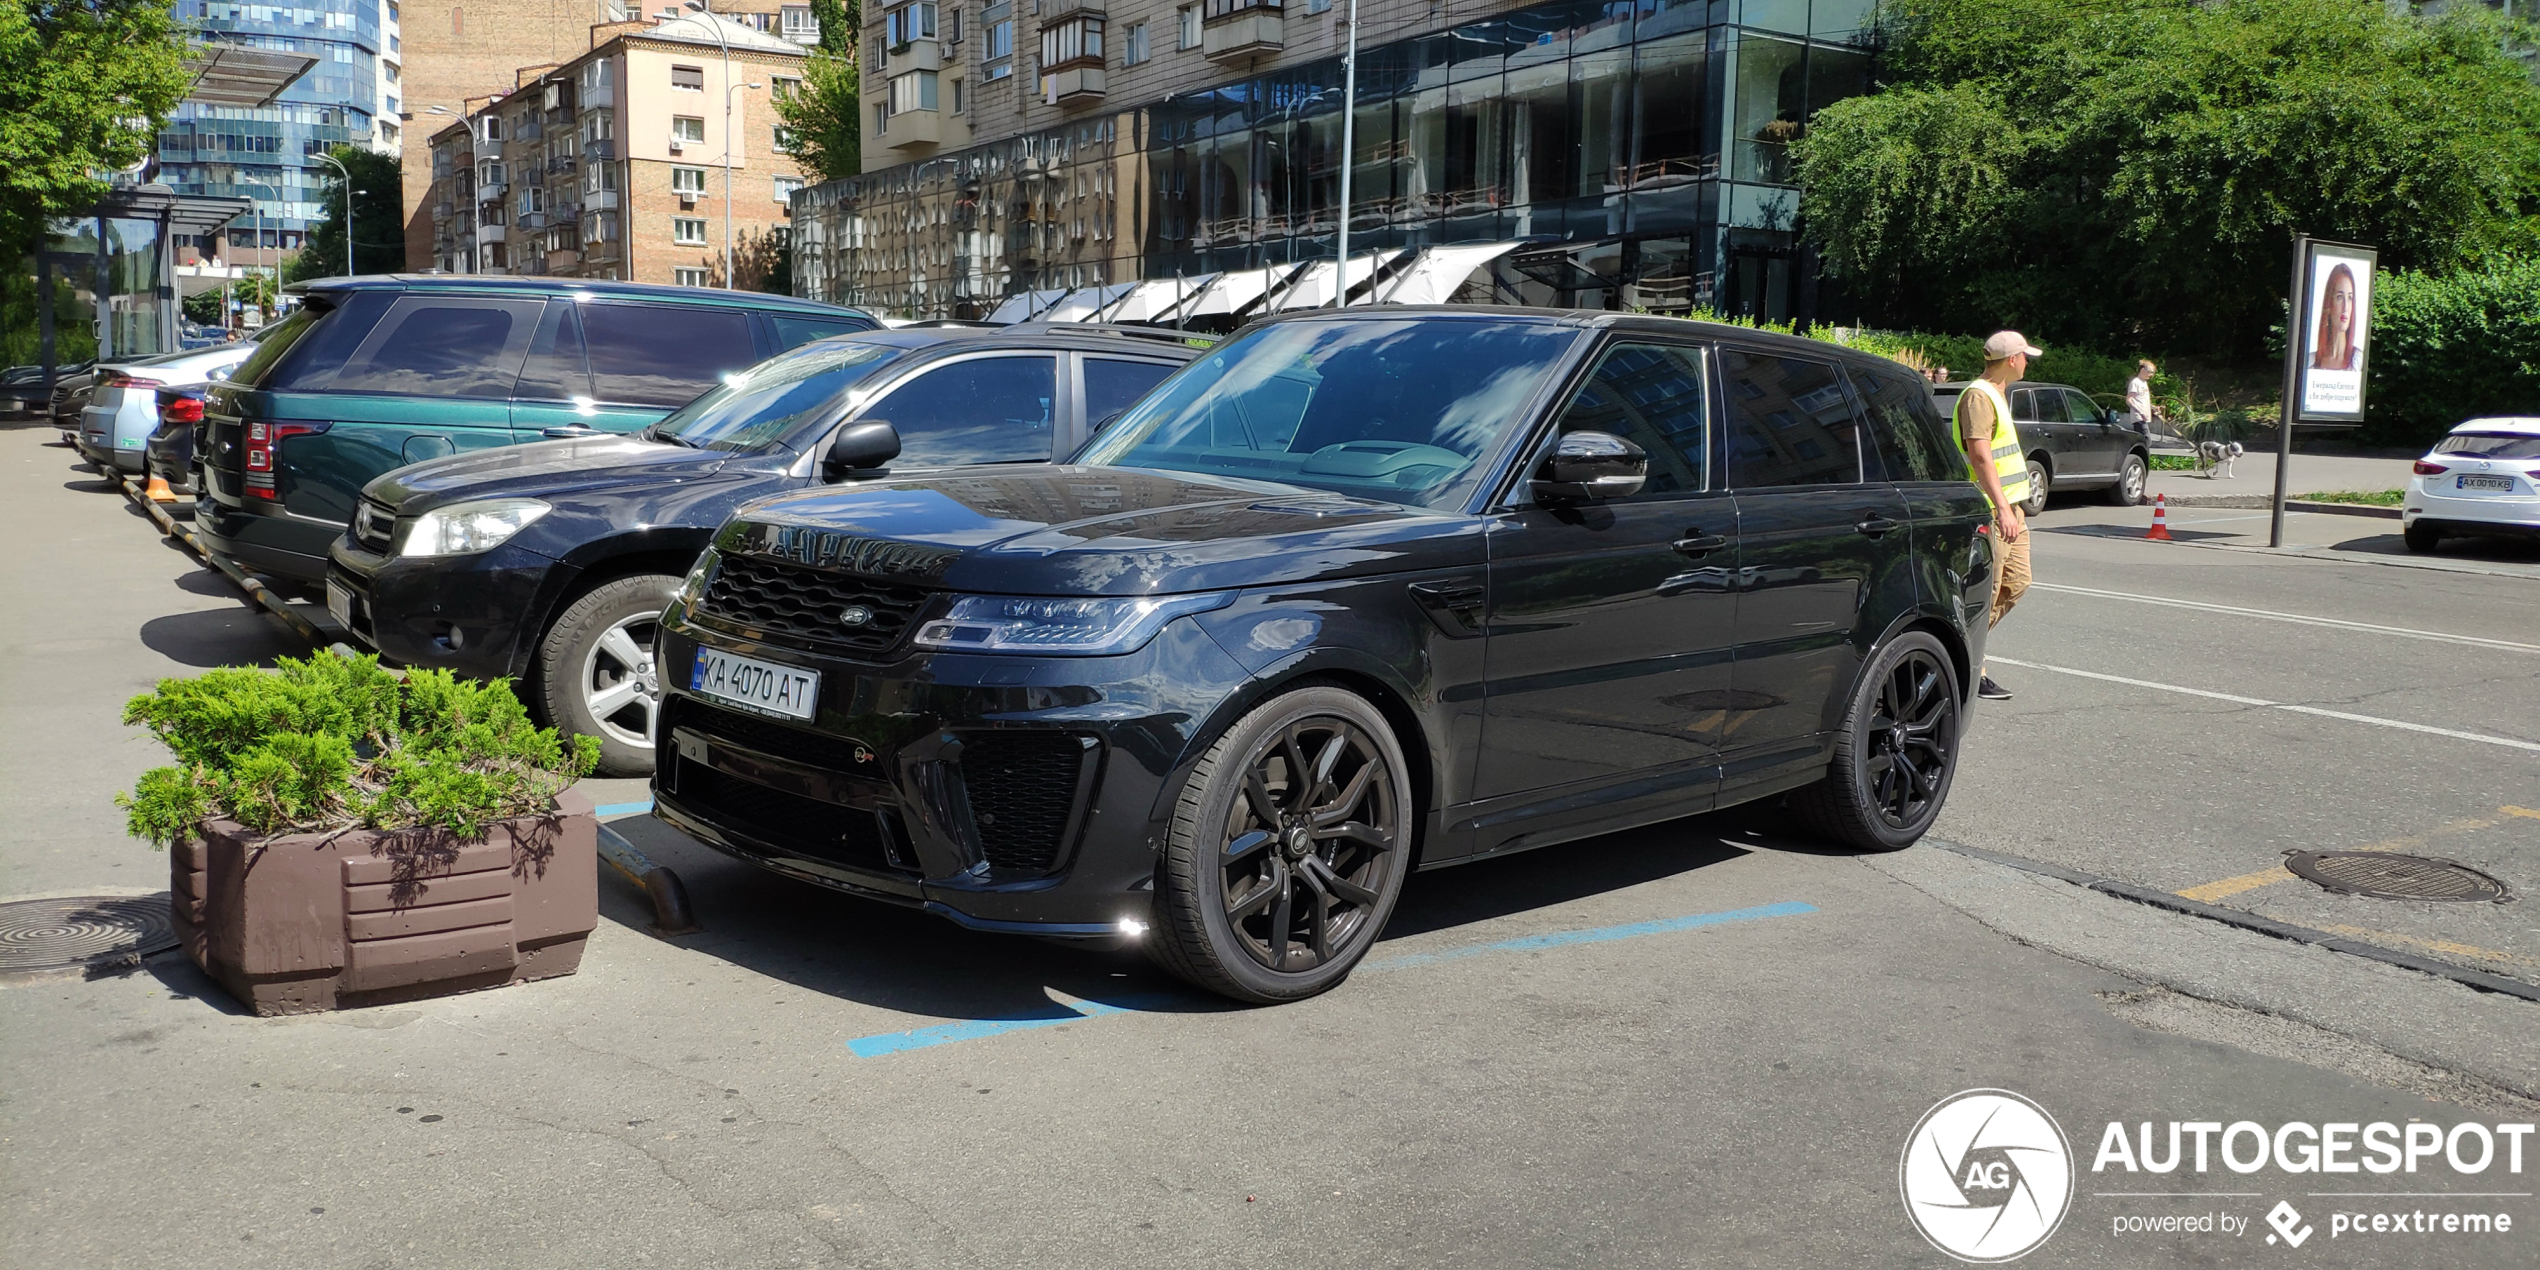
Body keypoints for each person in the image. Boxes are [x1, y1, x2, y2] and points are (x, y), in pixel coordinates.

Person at [1956, 330, 2037, 701]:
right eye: (2024, 356)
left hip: (2012, 510)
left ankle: (1965, 654)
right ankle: (1972, 668)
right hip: (1991, 510)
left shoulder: (1999, 393)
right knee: (1986, 593)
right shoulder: (1979, 395)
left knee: (2016, 583)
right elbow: (1980, 455)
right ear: (2011, 360)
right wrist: (2002, 508)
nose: (2027, 361)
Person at [2310, 264, 2360, 370]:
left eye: (2350, 298)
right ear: (2329, 304)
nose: (2345, 307)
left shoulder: (2358, 361)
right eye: (2339, 297)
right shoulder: (2310, 362)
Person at [2123, 360, 2160, 435]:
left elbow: (2141, 399)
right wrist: (2140, 412)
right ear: (2142, 370)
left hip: (2144, 417)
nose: (2151, 375)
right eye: (2150, 372)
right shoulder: (2135, 382)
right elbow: (2129, 400)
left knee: (2143, 441)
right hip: (2138, 417)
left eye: (2153, 373)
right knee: (2146, 440)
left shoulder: (2144, 383)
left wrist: (2153, 407)